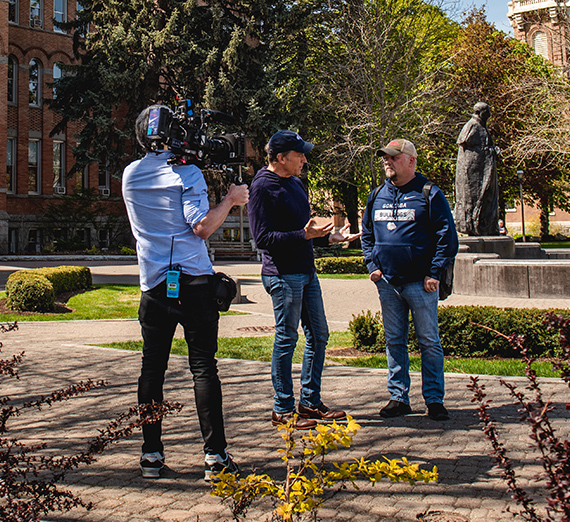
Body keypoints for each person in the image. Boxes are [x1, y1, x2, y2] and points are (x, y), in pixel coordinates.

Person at [122, 104, 249, 480]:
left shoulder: (130, 176)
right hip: (193, 286)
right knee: (203, 369)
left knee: (151, 370)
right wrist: (230, 199)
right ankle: (214, 457)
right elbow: (201, 228)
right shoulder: (187, 174)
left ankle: (151, 456)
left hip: (153, 288)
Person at [248, 130, 360, 429]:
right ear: (280, 158)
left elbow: (303, 232)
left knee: (319, 335)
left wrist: (329, 238)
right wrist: (304, 235)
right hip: (283, 275)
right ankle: (282, 409)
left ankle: (309, 403)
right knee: (287, 339)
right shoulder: (262, 187)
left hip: (306, 271)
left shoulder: (296, 183)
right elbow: (262, 238)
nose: (304, 159)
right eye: (299, 155)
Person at [361, 139, 458, 421]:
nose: (387, 162)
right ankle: (398, 398)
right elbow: (367, 234)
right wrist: (372, 265)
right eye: (385, 159)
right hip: (388, 282)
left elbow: (446, 237)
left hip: (420, 283)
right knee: (394, 341)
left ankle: (434, 400)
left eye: (393, 158)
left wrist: (435, 272)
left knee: (428, 341)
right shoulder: (376, 194)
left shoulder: (429, 193)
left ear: (411, 161)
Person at [455, 102, 500, 236]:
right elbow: (472, 153)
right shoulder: (473, 126)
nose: (489, 115)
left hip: (482, 171)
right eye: (487, 112)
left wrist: (492, 150)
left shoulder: (482, 127)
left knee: (487, 197)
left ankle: (486, 227)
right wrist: (489, 151)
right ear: (481, 113)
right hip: (474, 176)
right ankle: (475, 226)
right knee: (475, 199)